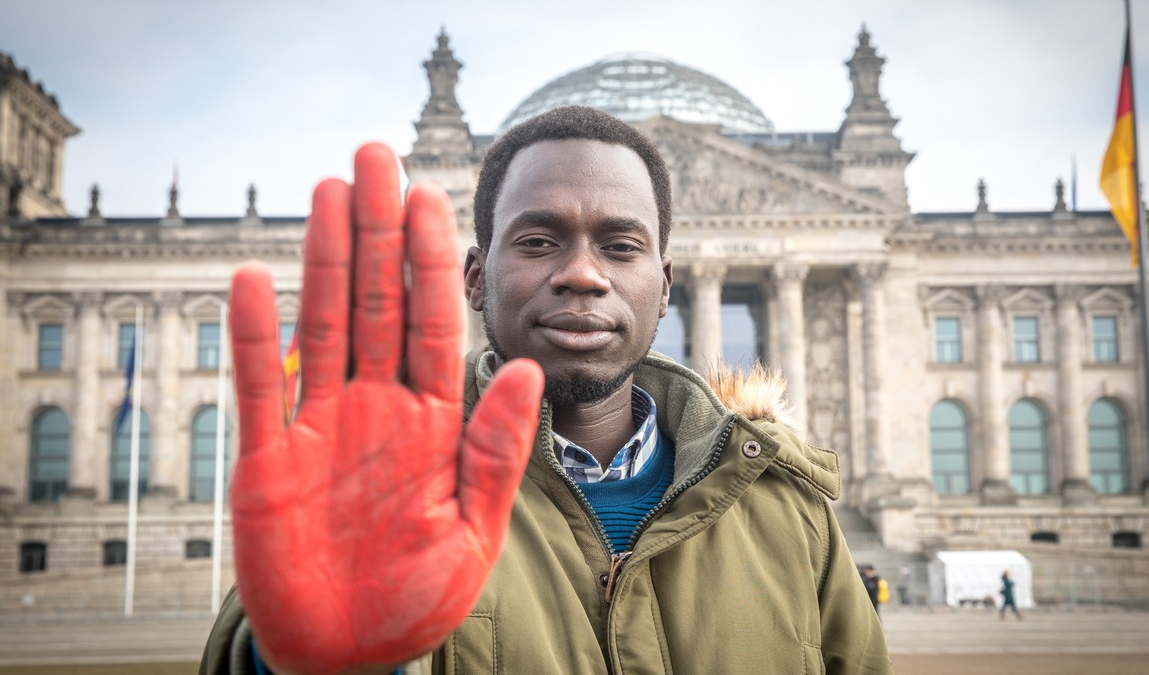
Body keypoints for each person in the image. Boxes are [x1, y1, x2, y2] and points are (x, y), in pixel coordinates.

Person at [199, 106, 892, 675]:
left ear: (666, 288)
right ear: (474, 277)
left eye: (621, 246)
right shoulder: (388, 497)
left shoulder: (789, 510)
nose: (583, 275)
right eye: (537, 240)